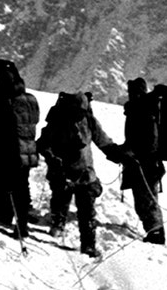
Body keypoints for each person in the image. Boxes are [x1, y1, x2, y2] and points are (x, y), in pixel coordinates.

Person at [37, 91, 123, 258]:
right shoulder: (58, 121)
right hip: (63, 172)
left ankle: (88, 245)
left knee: (86, 210)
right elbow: (43, 144)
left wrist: (117, 154)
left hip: (84, 173)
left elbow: (103, 141)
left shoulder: (89, 121)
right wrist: (52, 158)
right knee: (61, 202)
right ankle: (58, 223)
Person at [0, 58, 40, 239]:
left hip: (11, 150)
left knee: (8, 186)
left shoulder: (5, 100)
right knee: (21, 187)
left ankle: (9, 218)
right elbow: (34, 119)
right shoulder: (31, 99)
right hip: (28, 149)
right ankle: (21, 226)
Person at [119, 78, 167, 245]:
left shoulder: (142, 110)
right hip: (148, 163)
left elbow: (148, 139)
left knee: (146, 200)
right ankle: (155, 231)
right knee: (147, 199)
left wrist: (132, 151)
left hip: (144, 163)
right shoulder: (145, 108)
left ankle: (156, 233)